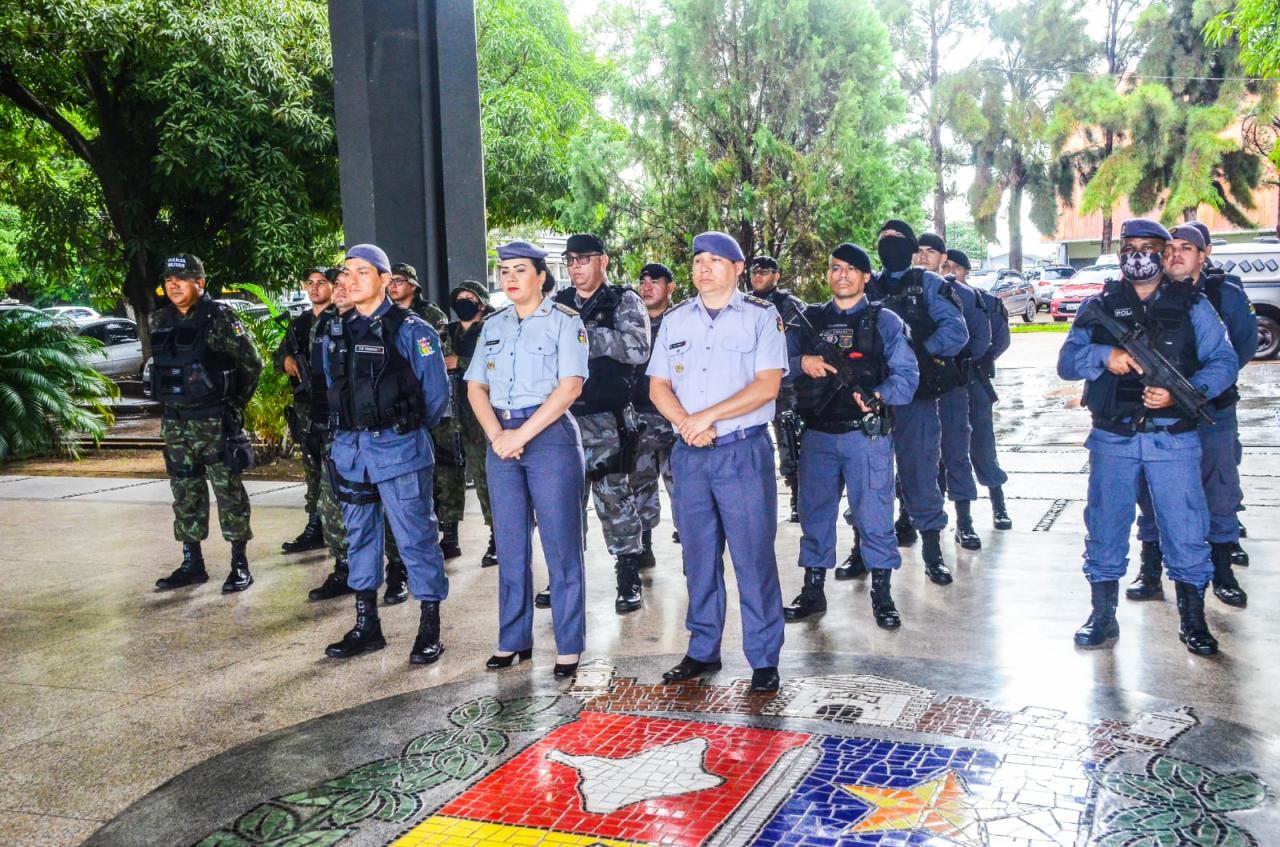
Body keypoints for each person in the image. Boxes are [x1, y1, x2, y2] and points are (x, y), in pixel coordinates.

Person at [1057, 219, 1237, 656]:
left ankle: (1192, 620)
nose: (1138, 255)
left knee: (1186, 527)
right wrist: (1106, 355)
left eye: (1148, 247)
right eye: (1129, 247)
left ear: (1163, 252)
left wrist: (1186, 392)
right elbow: (1067, 362)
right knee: (1105, 525)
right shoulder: (1099, 305)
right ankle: (1103, 615)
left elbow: (1224, 361)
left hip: (1172, 438)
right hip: (1112, 438)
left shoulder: (1193, 305)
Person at [647, 231, 788, 693]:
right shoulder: (676, 320)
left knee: (753, 557)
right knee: (698, 557)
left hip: (742, 451)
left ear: (738, 268)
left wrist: (704, 417)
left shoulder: (761, 317)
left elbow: (767, 386)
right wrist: (686, 424)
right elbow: (658, 386)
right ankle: (703, 649)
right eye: (698, 261)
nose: (703, 268)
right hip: (691, 455)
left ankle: (763, 658)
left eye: (715, 260)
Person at [464, 240, 590, 679]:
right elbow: (475, 387)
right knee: (510, 545)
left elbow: (570, 387)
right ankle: (514, 639)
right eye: (504, 271)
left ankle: (569, 645)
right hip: (502, 441)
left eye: (520, 270)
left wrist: (521, 434)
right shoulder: (493, 325)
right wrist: (499, 435)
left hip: (550, 438)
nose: (510, 278)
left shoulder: (565, 322)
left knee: (561, 545)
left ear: (541, 276)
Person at [321, 244, 451, 664]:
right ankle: (367, 625)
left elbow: (436, 397)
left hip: (399, 450)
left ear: (384, 278)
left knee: (416, 538)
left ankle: (429, 626)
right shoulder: (336, 331)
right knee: (359, 537)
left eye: (363, 271)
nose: (351, 279)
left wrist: (400, 430)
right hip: (351, 452)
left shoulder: (414, 330)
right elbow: (333, 387)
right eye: (347, 272)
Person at [783, 243, 919, 627]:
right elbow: (772, 367)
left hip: (866, 437)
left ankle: (882, 594)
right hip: (817, 436)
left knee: (874, 516)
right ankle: (813, 592)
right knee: (814, 516)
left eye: (851, 269)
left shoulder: (884, 321)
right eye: (836, 268)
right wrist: (801, 362)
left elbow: (908, 377)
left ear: (866, 276)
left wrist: (879, 396)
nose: (842, 275)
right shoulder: (809, 319)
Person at [1126, 223, 1256, 608]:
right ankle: (1151, 569)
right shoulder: (1148, 293)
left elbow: (1241, 348)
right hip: (1160, 414)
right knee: (1150, 491)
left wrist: (1198, 387)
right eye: (1169, 249)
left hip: (1212, 410)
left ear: (1203, 254)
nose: (1175, 255)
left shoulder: (1224, 293)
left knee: (1219, 489)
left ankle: (1222, 570)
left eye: (1186, 247)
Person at [548, 233, 651, 615]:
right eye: (571, 261)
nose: (576, 267)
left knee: (614, 500)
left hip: (608, 420)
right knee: (562, 505)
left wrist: (587, 337)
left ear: (602, 261)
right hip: (563, 420)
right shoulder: (557, 304)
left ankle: (628, 575)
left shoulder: (622, 301)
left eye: (584, 259)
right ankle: (563, 578)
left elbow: (638, 348)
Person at [865, 221, 968, 585]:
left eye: (896, 240)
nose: (888, 244)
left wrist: (917, 352)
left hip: (916, 395)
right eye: (883, 239)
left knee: (921, 472)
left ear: (911, 248)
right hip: (872, 398)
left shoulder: (929, 284)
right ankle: (863, 550)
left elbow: (956, 331)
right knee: (867, 477)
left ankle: (932, 552)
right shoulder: (867, 284)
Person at [152, 254, 263, 593]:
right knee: (185, 492)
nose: (173, 285)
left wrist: (233, 404)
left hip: (214, 421)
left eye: (181, 279)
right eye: (169, 279)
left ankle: (239, 564)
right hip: (176, 423)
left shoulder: (220, 318)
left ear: (199, 283)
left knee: (228, 491)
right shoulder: (162, 319)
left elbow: (252, 363)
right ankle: (192, 563)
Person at [385, 262, 460, 605]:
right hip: (395, 422)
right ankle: (397, 566)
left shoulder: (427, 317)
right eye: (391, 281)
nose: (394, 286)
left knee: (445, 470)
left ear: (413, 285)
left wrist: (424, 420)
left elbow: (438, 367)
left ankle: (450, 530)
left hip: (430, 413)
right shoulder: (377, 320)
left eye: (400, 281)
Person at [916, 233, 990, 550]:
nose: (923, 257)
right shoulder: (903, 291)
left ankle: (965, 521)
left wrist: (944, 360)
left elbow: (981, 341)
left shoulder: (962, 294)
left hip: (951, 385)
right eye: (918, 251)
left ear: (943, 258)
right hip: (914, 388)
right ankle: (908, 518)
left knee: (956, 453)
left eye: (930, 252)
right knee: (914, 457)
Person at [946, 248, 1013, 529]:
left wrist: (980, 359)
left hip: (975, 383)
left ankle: (999, 505)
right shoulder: (933, 300)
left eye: (956, 267)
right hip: (943, 386)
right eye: (945, 266)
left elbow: (1001, 339)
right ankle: (960, 519)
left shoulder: (986, 302)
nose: (949, 272)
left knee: (983, 447)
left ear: (966, 271)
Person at [304, 267, 355, 601]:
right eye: (335, 284)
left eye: (345, 283)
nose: (339, 289)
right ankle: (344, 568)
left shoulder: (389, 324)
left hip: (380, 435)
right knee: (332, 502)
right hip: (335, 431)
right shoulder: (324, 327)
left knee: (389, 508)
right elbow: (321, 380)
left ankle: (397, 568)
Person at [277, 268, 335, 554]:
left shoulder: (340, 319)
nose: (314, 288)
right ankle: (315, 525)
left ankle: (338, 531)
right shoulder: (299, 323)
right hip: (305, 407)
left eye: (321, 283)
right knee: (312, 467)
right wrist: (286, 359)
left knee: (334, 471)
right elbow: (280, 353)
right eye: (310, 283)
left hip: (332, 407)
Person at [747, 255, 808, 522]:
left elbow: (805, 341)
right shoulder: (744, 304)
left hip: (786, 385)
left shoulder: (791, 305)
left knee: (790, 442)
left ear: (776, 276)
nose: (758, 276)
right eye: (754, 272)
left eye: (764, 272)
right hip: (750, 385)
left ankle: (798, 496)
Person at [443, 280, 498, 567]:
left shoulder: (493, 328)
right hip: (451, 415)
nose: (463, 301)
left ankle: (498, 537)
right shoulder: (447, 331)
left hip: (482, 415)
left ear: (482, 302)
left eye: (469, 297)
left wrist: (460, 363)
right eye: (459, 297)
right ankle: (449, 536)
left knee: (487, 479)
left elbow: (496, 364)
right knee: (448, 478)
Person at [632, 262, 680, 566]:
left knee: (682, 486)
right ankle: (643, 546)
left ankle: (692, 545)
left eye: (655, 281)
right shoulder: (632, 322)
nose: (647, 287)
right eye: (643, 281)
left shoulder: (682, 321)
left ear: (670, 287)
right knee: (639, 483)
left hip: (675, 418)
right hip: (638, 417)